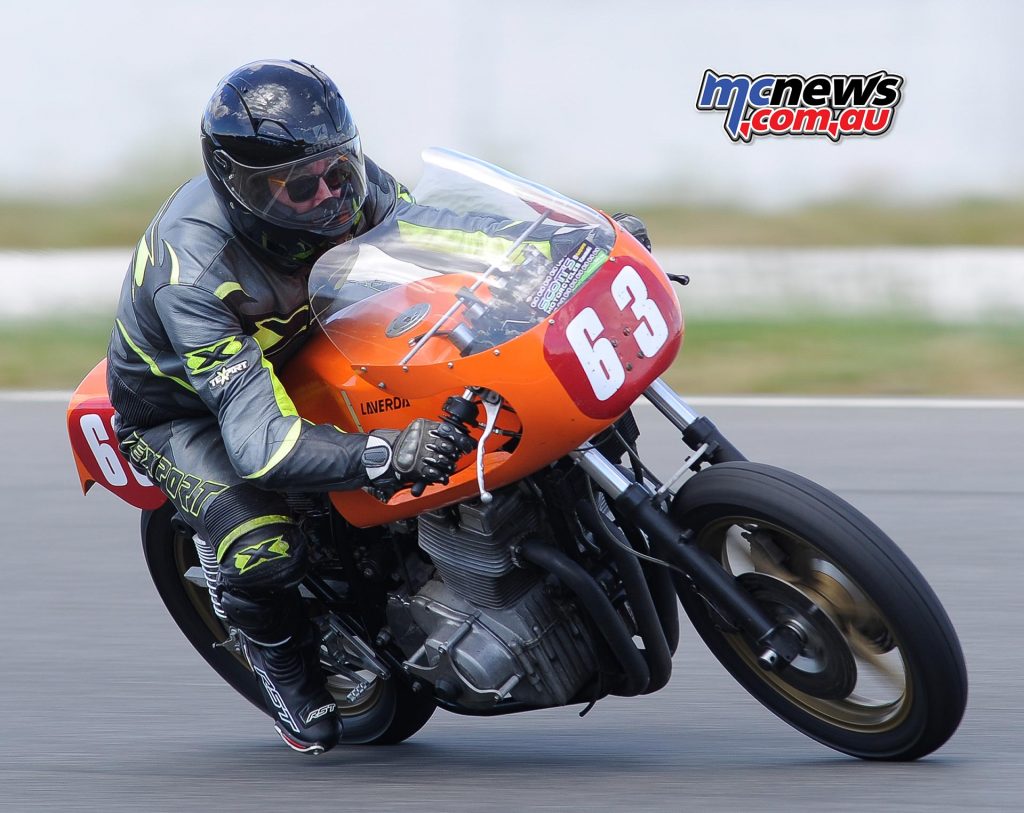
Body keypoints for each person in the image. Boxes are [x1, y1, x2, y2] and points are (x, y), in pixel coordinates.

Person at [108, 58, 651, 755]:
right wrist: (387, 454)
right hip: (186, 410)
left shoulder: (344, 189)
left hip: (306, 342)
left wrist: (572, 242)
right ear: (240, 189)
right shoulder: (198, 272)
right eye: (302, 187)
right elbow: (260, 442)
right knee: (264, 544)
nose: (332, 198)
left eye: (340, 171)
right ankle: (280, 664)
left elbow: (440, 232)